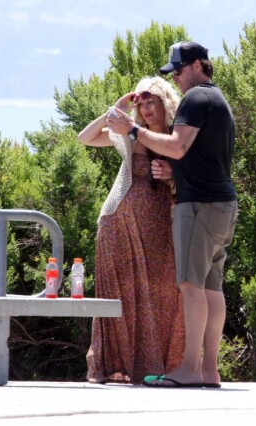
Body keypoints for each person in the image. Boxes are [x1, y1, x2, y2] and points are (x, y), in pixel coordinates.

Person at [106, 41, 238, 388]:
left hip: (198, 206)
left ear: (197, 65)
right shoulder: (218, 99)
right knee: (211, 287)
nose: (176, 78)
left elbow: (177, 146)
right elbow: (196, 155)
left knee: (190, 285)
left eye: (178, 71)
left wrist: (132, 130)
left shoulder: (196, 99)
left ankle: (191, 369)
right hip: (222, 203)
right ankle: (209, 370)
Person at [78, 76, 185, 384]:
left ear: (165, 103)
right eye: (143, 103)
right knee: (120, 296)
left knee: (164, 293)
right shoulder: (132, 137)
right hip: (118, 225)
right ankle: (113, 367)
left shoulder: (179, 138)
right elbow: (85, 138)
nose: (147, 109)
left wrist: (171, 174)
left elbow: (192, 175)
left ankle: (159, 369)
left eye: (152, 102)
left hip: (162, 229)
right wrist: (114, 110)